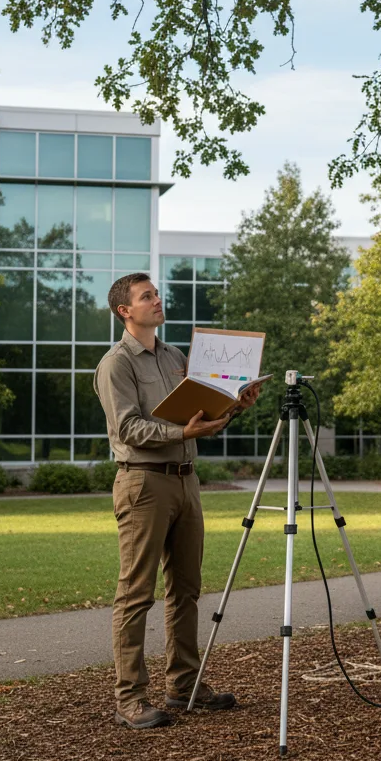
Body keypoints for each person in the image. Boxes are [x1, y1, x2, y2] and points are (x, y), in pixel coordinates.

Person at [94, 272, 261, 728]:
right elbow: (128, 429)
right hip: (143, 483)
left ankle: (184, 684)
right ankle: (130, 699)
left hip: (187, 481)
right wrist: (181, 431)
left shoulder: (175, 356)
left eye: (156, 294)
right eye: (146, 296)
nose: (156, 300)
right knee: (136, 594)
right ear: (124, 311)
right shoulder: (116, 364)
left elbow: (201, 413)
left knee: (185, 588)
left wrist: (236, 403)